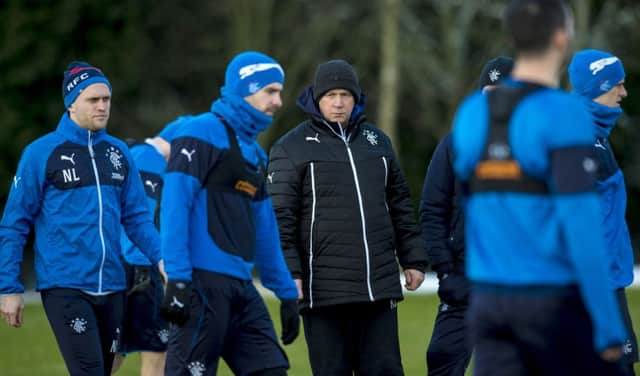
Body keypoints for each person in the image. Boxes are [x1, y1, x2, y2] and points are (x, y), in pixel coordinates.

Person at [451, 0, 629, 375]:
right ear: (561, 38)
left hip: (489, 300)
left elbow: (474, 209)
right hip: (549, 300)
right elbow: (581, 226)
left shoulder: (471, 114)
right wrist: (608, 325)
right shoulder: (564, 115)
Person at [0, 61, 164, 375]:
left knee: (104, 370)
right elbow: (15, 222)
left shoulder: (118, 152)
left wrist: (161, 258)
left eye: (107, 99)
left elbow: (138, 218)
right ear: (71, 102)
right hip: (65, 285)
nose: (103, 106)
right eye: (93, 100)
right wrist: (9, 287)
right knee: (88, 370)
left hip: (114, 285)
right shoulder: (40, 153)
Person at [267, 59, 427, 376]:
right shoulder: (291, 147)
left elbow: (399, 206)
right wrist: (291, 274)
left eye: (345, 94)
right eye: (330, 95)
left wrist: (413, 259)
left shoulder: (378, 142)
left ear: (356, 97)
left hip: (378, 289)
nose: (338, 102)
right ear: (316, 98)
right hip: (324, 293)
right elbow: (279, 220)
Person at [159, 51, 300, 376]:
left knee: (272, 370)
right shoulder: (199, 132)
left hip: (241, 290)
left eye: (280, 92)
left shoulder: (256, 153)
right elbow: (174, 206)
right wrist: (178, 279)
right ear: (245, 88)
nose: (279, 101)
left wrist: (286, 294)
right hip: (201, 285)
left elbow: (265, 229)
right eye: (270, 91)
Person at [420, 56, 513, 376]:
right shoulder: (454, 144)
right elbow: (432, 209)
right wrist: (445, 271)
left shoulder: (536, 145)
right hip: (463, 279)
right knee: (442, 358)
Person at [568, 48, 639, 375]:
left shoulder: (596, 136)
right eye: (618, 84)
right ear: (600, 85)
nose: (624, 92)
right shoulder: (575, 137)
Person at [112, 119, 185, 376]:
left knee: (118, 349)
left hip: (128, 265)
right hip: (136, 268)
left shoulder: (139, 154)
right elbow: (138, 219)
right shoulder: (148, 159)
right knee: (156, 350)